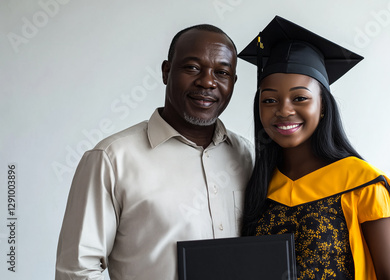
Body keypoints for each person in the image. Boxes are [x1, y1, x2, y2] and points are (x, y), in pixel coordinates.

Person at [55, 24, 254, 280]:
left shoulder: (248, 157)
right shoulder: (112, 158)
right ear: (166, 71)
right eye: (192, 67)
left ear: (233, 82)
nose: (207, 81)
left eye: (222, 72)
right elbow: (77, 271)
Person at [239, 16, 390, 279]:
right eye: (270, 100)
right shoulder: (259, 187)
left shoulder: (362, 184)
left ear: (323, 107)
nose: (283, 110)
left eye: (300, 98)